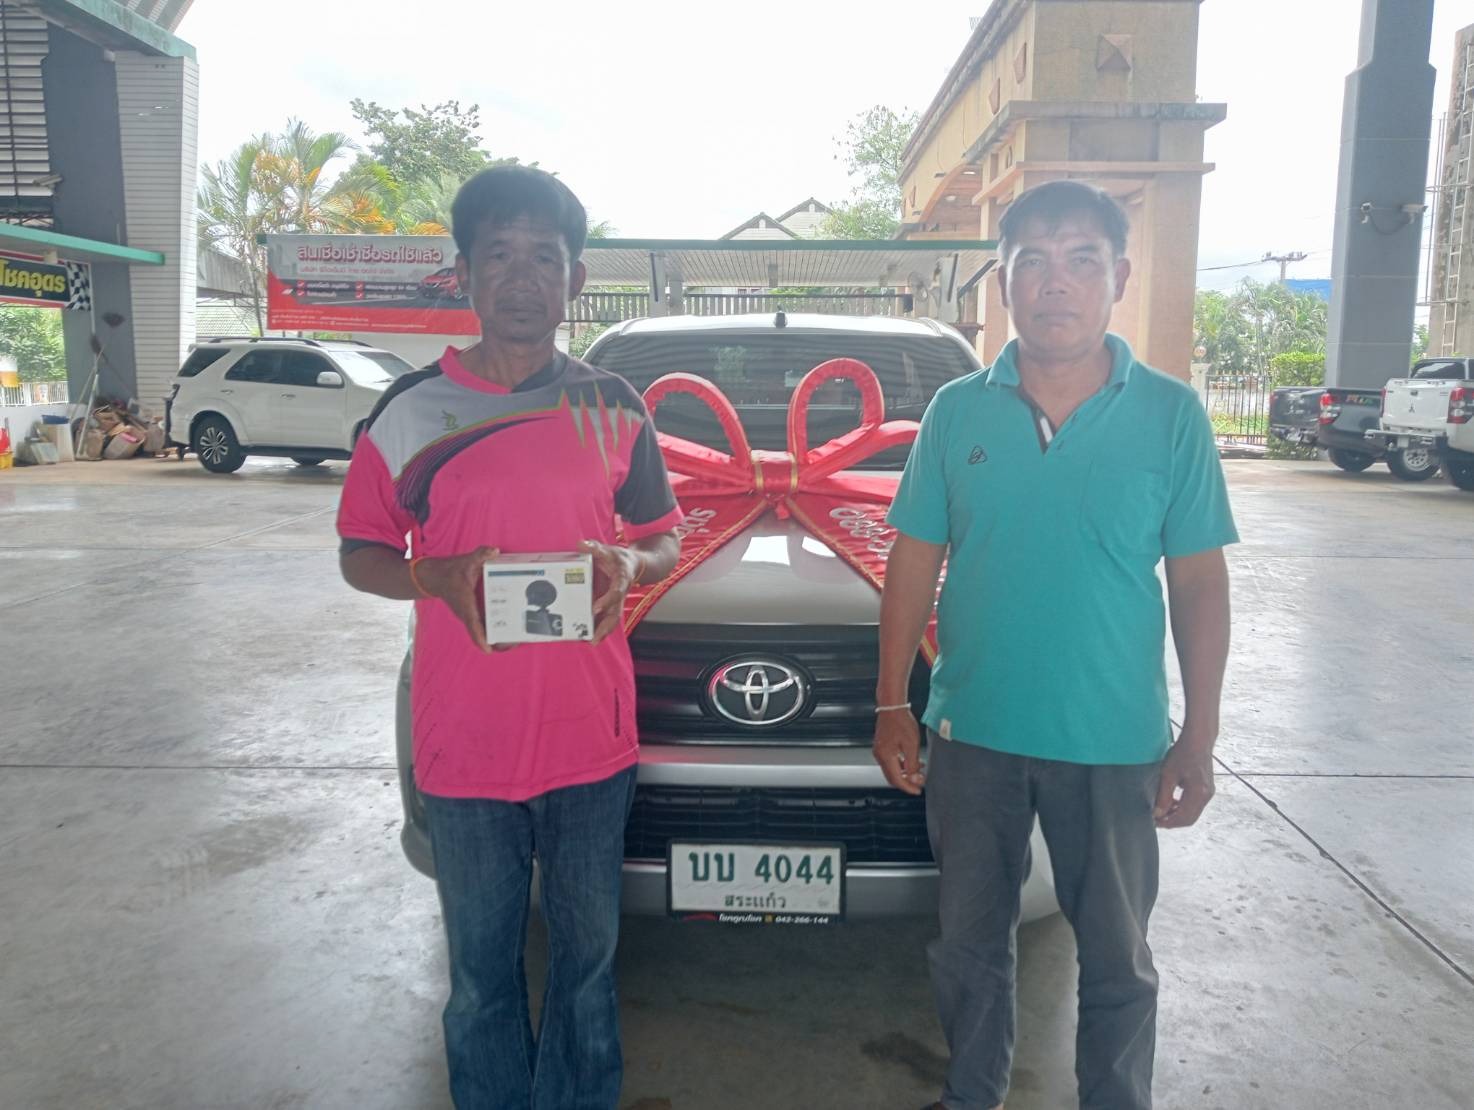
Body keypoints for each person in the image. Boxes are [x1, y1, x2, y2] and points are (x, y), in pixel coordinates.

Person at [873, 179, 1238, 1110]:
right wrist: (891, 703)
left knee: (1116, 957)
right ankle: (972, 1095)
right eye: (1031, 261)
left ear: (1119, 276)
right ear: (1003, 283)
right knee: (968, 949)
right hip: (973, 736)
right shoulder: (957, 411)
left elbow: (1199, 582)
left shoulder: (1170, 415)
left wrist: (1198, 735)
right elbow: (914, 561)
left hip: (1113, 742)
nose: (1055, 282)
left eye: (1081, 259)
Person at [336, 166, 683, 1110]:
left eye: (545, 257)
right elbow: (359, 554)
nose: (523, 277)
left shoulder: (615, 405)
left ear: (576, 279)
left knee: (586, 969)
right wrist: (433, 576)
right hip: (466, 749)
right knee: (482, 979)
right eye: (499, 255)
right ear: (464, 273)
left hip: (589, 744)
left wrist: (630, 561)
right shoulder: (408, 413)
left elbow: (665, 536)